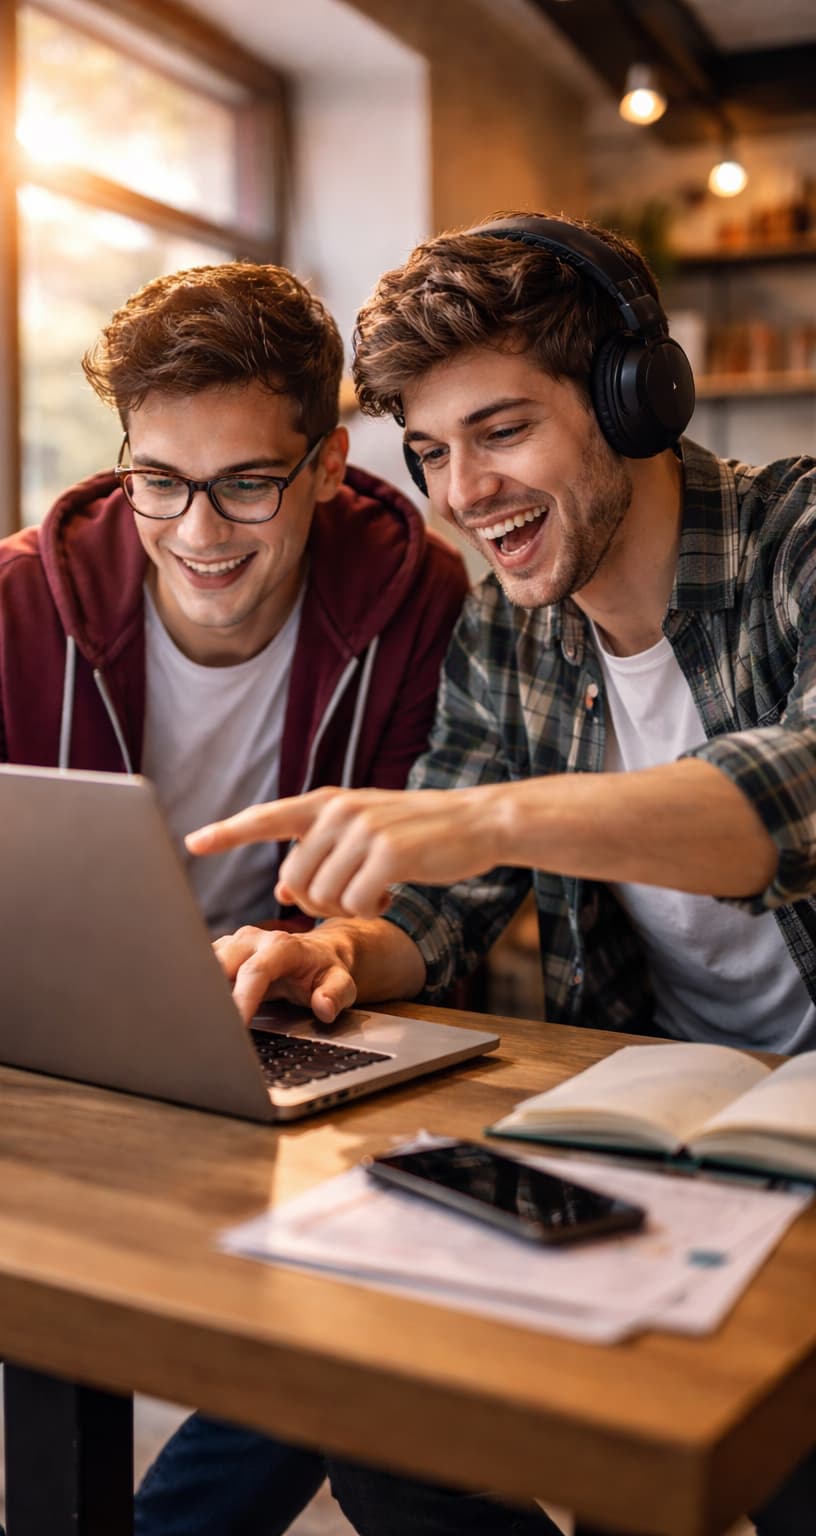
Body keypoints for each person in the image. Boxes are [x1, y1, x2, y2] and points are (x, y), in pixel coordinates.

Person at [0, 261, 468, 1536]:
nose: (199, 532)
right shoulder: (20, 592)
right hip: (52, 1072)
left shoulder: (415, 598)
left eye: (246, 484)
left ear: (327, 465)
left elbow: (422, 890)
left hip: (288, 1068)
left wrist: (314, 947)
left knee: (333, 1335)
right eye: (159, 481)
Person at [184, 214, 816, 1536]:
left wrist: (492, 819)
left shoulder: (797, 542)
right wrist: (342, 951)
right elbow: (445, 903)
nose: (463, 493)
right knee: (383, 1411)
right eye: (430, 452)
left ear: (635, 399)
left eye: (503, 430)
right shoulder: (503, 627)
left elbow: (784, 796)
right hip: (657, 1121)